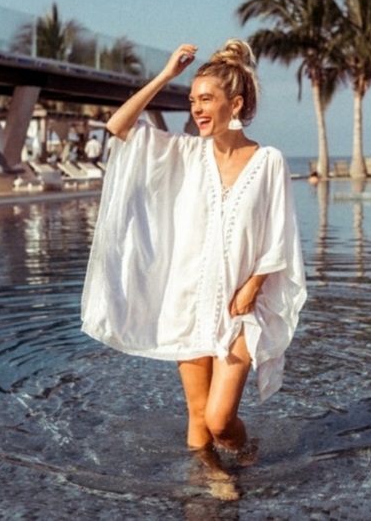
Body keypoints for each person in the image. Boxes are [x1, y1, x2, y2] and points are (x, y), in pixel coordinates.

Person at [81, 39, 307, 461]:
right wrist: (167, 75)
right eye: (192, 100)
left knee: (220, 420)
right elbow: (118, 126)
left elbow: (280, 235)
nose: (197, 109)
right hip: (190, 304)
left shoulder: (269, 161)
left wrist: (253, 287)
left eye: (206, 99)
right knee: (199, 416)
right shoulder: (185, 153)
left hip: (241, 308)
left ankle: (246, 455)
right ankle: (209, 487)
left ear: (235, 104)